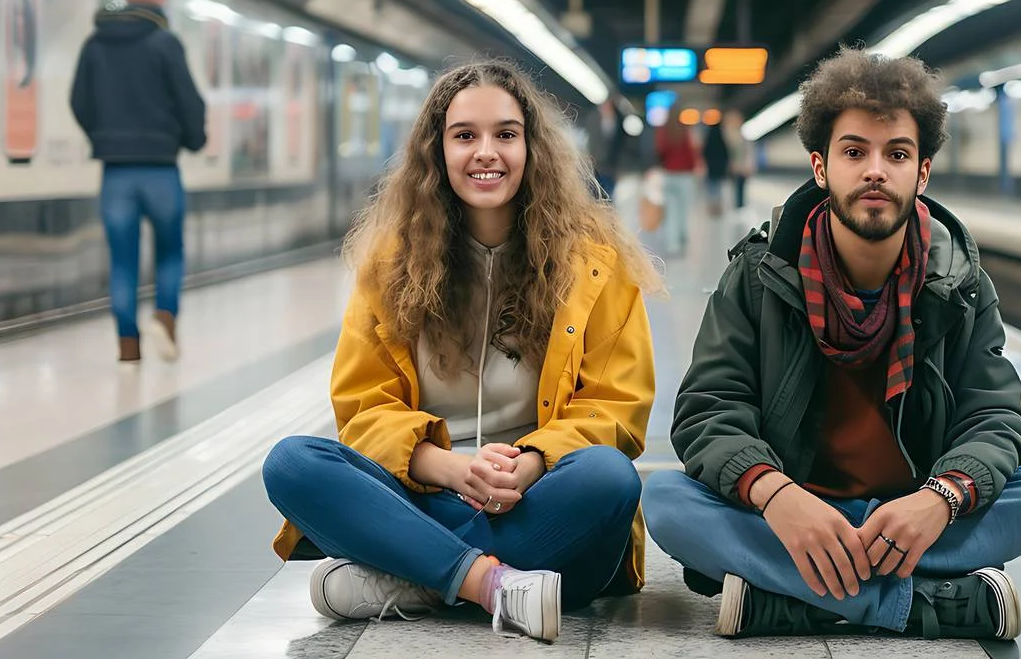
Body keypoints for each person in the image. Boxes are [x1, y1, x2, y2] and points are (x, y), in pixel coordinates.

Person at [643, 48, 1021, 639]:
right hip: (797, 515)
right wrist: (776, 496)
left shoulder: (962, 286)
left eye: (896, 154)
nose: (876, 170)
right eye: (855, 152)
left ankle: (794, 598)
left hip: (911, 516)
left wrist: (941, 498)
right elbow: (708, 411)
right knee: (668, 500)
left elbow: (996, 418)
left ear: (921, 173)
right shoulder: (758, 274)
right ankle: (919, 602)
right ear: (821, 168)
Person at [260, 60, 662, 643]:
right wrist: (448, 467)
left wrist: (529, 463)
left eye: (505, 134)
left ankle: (418, 576)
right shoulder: (389, 266)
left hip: (537, 500)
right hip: (428, 493)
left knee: (609, 477)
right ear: (437, 151)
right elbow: (363, 410)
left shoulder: (595, 265)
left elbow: (616, 409)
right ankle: (494, 584)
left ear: (532, 147)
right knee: (292, 463)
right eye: (465, 135)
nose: (486, 153)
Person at [70, 0, 205, 363]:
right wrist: (191, 140)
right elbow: (189, 102)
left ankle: (128, 346)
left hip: (116, 172)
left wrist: (103, 137)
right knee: (170, 250)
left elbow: (78, 101)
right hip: (161, 169)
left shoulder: (95, 44)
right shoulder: (166, 44)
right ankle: (165, 317)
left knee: (123, 258)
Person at [652, 110, 698, 256]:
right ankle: (683, 236)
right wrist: (692, 167)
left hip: (669, 174)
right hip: (685, 176)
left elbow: (659, 150)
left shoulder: (663, 131)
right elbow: (691, 152)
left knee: (671, 211)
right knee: (683, 209)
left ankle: (673, 244)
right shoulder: (684, 130)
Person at [723, 110, 754, 210]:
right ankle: (735, 209)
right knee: (731, 191)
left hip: (741, 168)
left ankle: (739, 209)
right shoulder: (727, 135)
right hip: (732, 168)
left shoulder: (742, 135)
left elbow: (747, 152)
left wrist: (748, 165)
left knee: (740, 191)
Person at [701, 118, 730, 217]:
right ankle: (718, 207)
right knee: (718, 188)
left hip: (710, 168)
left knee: (711, 188)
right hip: (720, 169)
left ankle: (712, 207)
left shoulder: (708, 140)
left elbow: (704, 153)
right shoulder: (722, 139)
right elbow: (726, 154)